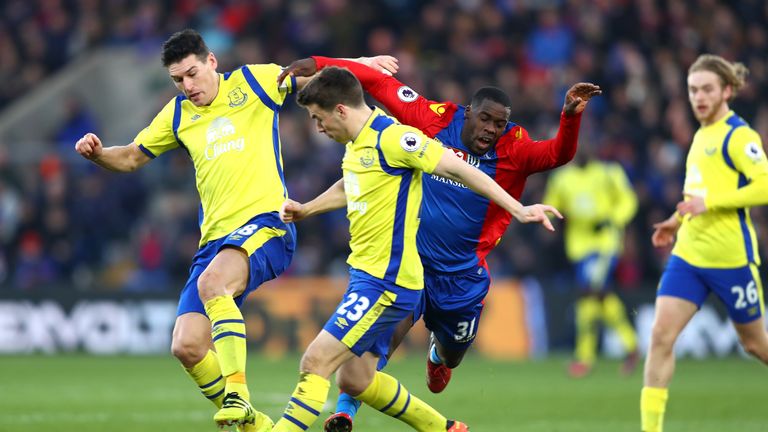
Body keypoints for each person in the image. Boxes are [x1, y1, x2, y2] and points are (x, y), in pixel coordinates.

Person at [73, 29, 396, 431]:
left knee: (213, 285)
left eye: (192, 73)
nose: (187, 86)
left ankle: (236, 393)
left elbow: (317, 78)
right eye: (178, 80)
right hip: (215, 243)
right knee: (186, 346)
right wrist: (100, 154)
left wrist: (362, 65)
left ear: (212, 62)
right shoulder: (177, 114)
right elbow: (132, 157)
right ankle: (255, 425)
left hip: (268, 225)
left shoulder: (253, 82)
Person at [277, 57, 600, 431]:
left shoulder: (515, 149)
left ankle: (439, 357)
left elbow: (558, 154)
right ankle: (346, 411)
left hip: (461, 275)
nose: (491, 130)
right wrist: (317, 63)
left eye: (500, 123)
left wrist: (570, 117)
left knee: (451, 354)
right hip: (410, 265)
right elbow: (377, 84)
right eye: (485, 120)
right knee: (373, 343)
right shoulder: (433, 119)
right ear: (468, 113)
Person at [641, 54, 768, 432]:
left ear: (726, 91)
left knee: (755, 345)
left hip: (730, 259)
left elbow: (764, 185)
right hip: (689, 256)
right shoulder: (699, 136)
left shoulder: (737, 135)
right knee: (661, 337)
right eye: (693, 89)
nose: (698, 97)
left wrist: (709, 204)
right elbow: (696, 194)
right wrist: (676, 221)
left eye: (707, 89)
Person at [542, 144, 639, 378]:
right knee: (597, 296)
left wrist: (612, 219)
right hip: (578, 248)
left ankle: (585, 357)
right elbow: (551, 204)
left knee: (589, 292)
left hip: (604, 243)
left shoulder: (608, 172)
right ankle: (631, 347)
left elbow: (628, 201)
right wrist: (544, 218)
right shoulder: (562, 178)